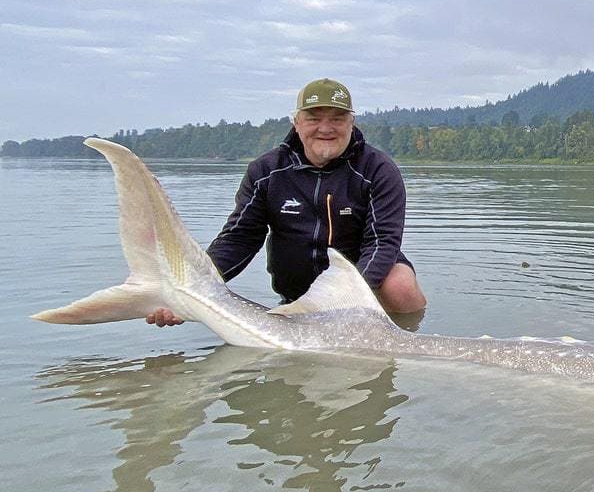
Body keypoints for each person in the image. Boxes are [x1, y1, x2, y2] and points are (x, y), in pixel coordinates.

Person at [147, 78, 426, 324]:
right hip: (297, 289)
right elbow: (239, 239)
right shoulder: (266, 171)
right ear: (296, 122)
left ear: (352, 123)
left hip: (361, 289)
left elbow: (381, 243)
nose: (325, 128)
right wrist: (188, 290)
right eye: (314, 118)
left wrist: (345, 301)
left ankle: (398, 339)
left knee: (400, 284)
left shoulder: (378, 170)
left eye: (337, 119)